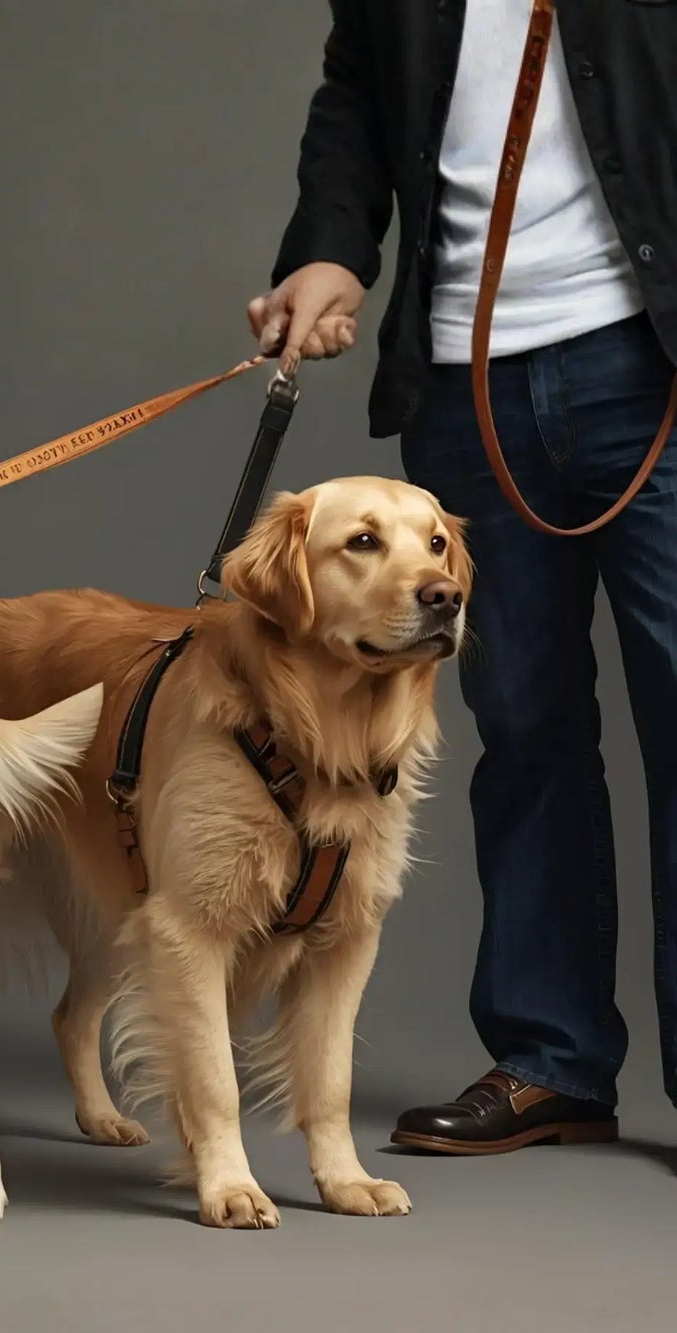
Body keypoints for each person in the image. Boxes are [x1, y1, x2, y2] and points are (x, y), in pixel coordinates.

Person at [247, 1, 677, 1153]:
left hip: (653, 358)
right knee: (523, 723)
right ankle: (554, 1059)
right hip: (464, 377)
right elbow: (357, 95)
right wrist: (330, 252)